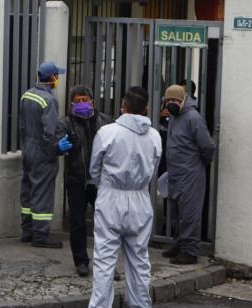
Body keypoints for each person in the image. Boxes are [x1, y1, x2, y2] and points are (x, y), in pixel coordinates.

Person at [88, 86, 162, 308]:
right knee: (139, 260)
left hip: (111, 197)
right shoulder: (155, 136)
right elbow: (154, 169)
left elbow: (94, 169)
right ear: (146, 108)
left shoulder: (107, 132)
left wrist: (107, 184)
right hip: (140, 198)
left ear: (123, 105)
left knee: (104, 261)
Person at [56, 85, 111, 276]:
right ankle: (81, 261)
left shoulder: (105, 122)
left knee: (105, 223)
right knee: (77, 222)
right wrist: (58, 147)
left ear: (92, 102)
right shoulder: (66, 123)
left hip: (101, 182)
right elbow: (54, 143)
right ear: (72, 104)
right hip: (76, 179)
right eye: (77, 101)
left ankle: (106, 264)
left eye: (84, 100)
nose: (81, 104)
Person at [160, 85, 216, 265]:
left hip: (190, 173)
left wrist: (198, 164)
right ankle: (179, 245)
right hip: (176, 172)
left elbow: (207, 146)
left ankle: (190, 252)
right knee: (176, 212)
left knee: (189, 213)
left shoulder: (193, 118)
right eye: (168, 101)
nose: (171, 104)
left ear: (183, 100)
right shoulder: (174, 117)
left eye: (175, 100)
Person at [19, 61, 70, 249]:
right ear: (52, 78)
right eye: (58, 76)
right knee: (42, 192)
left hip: (28, 148)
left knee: (28, 190)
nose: (58, 80)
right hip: (42, 152)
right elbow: (49, 133)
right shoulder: (49, 100)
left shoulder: (27, 95)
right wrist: (58, 148)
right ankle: (40, 235)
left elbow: (22, 125)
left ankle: (27, 231)